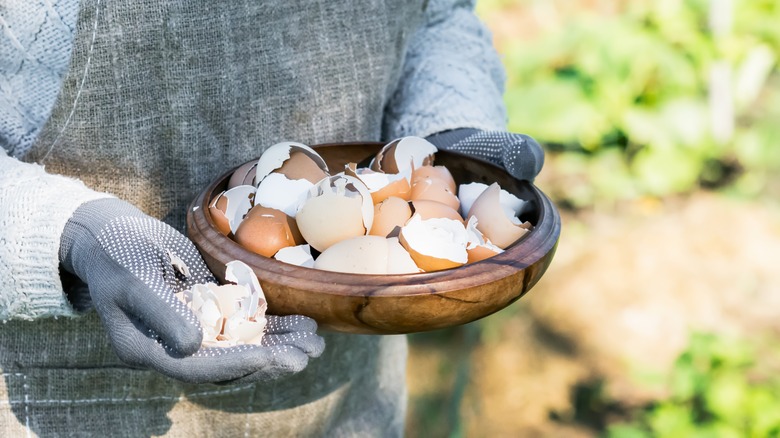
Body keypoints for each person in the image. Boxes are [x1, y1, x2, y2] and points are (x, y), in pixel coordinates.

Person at [0, 0, 544, 435]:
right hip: (70, 402)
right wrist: (65, 233)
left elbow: (437, 15)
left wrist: (441, 145)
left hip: (349, 396)